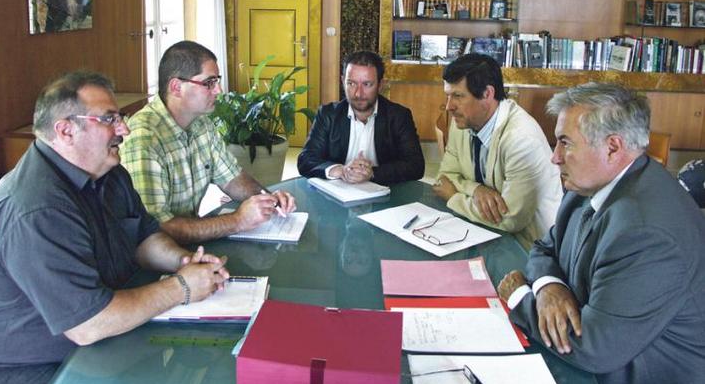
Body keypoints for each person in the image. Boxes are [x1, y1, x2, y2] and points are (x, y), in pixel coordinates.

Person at [0, 72, 229, 384]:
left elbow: (143, 235)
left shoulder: (108, 171)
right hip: (7, 367)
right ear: (66, 130)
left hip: (91, 342)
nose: (124, 129)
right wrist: (181, 287)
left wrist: (182, 262)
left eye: (121, 117)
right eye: (109, 119)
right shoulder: (36, 208)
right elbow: (88, 324)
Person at [498, 83, 705, 384]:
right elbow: (545, 247)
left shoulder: (646, 233)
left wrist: (519, 296)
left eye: (565, 143)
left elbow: (593, 347)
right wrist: (548, 287)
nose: (555, 157)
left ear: (612, 147)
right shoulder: (588, 184)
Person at [120, 41, 295, 245]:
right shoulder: (143, 138)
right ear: (176, 87)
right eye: (209, 83)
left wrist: (268, 198)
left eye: (217, 81)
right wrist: (238, 220)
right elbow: (158, 228)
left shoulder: (202, 124)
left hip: (189, 245)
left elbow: (232, 178)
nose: (219, 90)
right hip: (152, 259)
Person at [433, 53, 562, 248]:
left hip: (528, 247)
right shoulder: (463, 121)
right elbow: (444, 178)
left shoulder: (522, 139)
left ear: (487, 94)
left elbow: (510, 219)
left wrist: (454, 197)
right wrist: (475, 189)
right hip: (481, 232)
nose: (449, 106)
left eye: (458, 96)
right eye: (448, 95)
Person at [297, 50, 424, 185]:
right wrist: (339, 170)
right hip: (338, 192)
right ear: (342, 81)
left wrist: (372, 173)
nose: (358, 93)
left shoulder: (399, 116)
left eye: (367, 84)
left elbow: (416, 166)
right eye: (351, 83)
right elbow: (306, 159)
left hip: (384, 193)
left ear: (380, 85)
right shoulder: (328, 114)